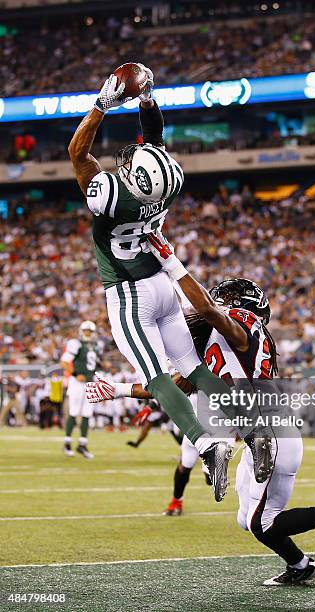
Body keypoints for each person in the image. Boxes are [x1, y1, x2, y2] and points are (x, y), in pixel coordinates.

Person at [87, 233, 315, 585]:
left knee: (263, 523)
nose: (214, 302)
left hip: (273, 432)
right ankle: (301, 567)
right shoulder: (217, 343)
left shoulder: (243, 326)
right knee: (248, 519)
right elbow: (177, 386)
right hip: (258, 433)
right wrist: (118, 390)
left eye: (225, 299)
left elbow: (210, 310)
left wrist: (171, 263)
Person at [67, 68, 268, 500]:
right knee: (193, 369)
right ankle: (253, 430)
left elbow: (78, 154)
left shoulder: (109, 194)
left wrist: (102, 103)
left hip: (128, 293)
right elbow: (153, 140)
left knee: (158, 378)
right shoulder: (169, 183)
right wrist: (146, 99)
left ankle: (206, 443)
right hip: (163, 285)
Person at [61, 321, 100, 458]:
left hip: (90, 382)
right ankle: (67, 443)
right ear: (81, 331)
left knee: (87, 413)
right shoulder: (75, 343)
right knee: (74, 411)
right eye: (86, 331)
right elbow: (64, 362)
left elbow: (93, 364)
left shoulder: (95, 345)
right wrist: (76, 374)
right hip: (77, 382)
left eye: (90, 331)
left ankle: (82, 444)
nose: (88, 333)